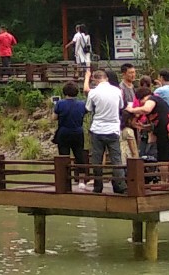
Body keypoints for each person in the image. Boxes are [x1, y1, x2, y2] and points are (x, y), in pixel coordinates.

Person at [85, 65, 126, 194]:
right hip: (113, 129)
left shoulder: (93, 92)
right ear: (106, 78)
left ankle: (98, 186)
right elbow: (121, 106)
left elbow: (89, 109)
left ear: (94, 79)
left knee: (97, 158)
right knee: (116, 159)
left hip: (98, 129)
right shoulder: (117, 91)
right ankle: (120, 186)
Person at [52, 80, 88, 178]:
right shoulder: (82, 104)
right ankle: (81, 179)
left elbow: (54, 118)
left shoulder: (59, 103)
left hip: (64, 131)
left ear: (64, 92)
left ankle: (65, 180)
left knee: (64, 156)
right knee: (79, 154)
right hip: (78, 131)